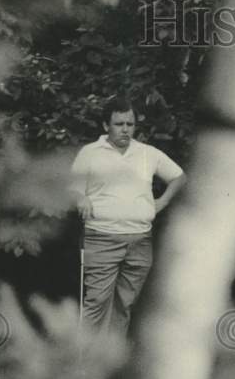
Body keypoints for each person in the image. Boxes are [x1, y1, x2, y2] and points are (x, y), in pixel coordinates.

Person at [71, 99, 186, 336]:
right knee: (96, 303)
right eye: (119, 123)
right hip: (102, 238)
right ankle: (82, 367)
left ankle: (109, 366)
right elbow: (71, 186)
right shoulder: (90, 153)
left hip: (140, 241)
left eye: (130, 124)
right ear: (106, 125)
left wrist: (162, 201)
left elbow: (179, 177)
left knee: (124, 306)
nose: (125, 129)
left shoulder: (147, 153)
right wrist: (81, 198)